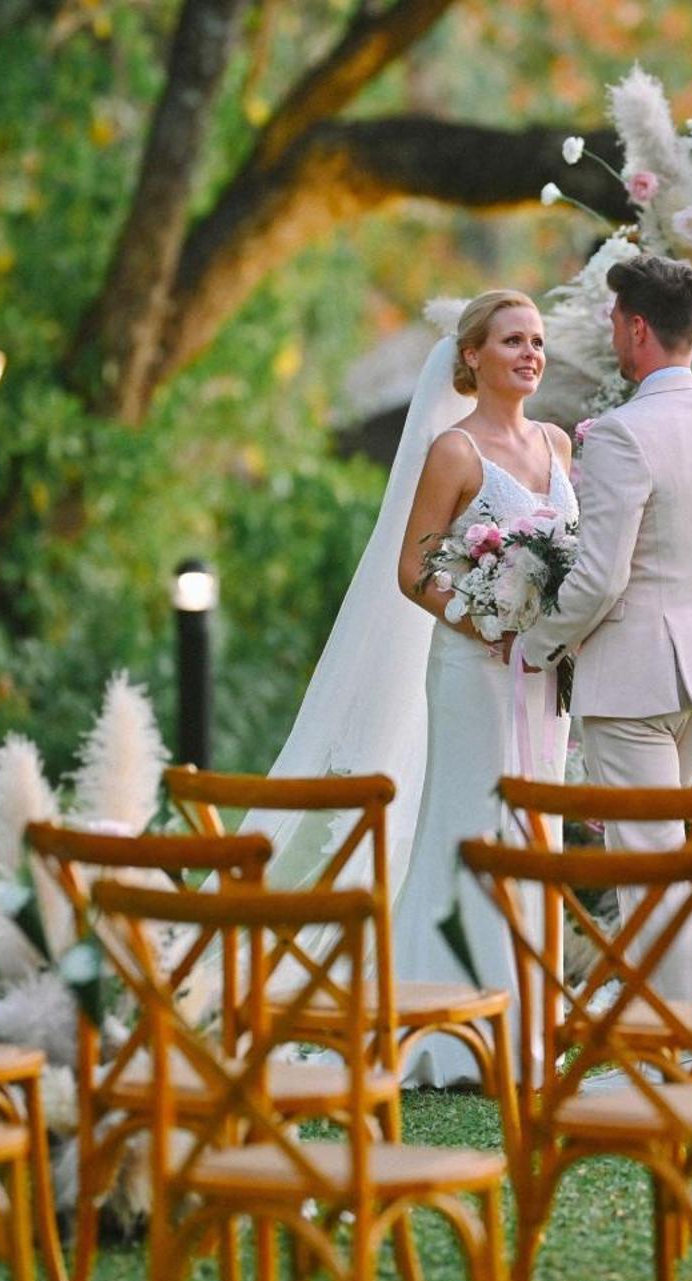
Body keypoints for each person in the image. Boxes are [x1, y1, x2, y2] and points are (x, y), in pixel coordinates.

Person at [248, 290, 575, 1088]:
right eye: (510, 341)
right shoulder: (455, 453)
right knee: (473, 825)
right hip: (472, 670)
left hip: (542, 681)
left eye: (536, 341)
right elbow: (413, 568)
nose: (529, 353)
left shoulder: (561, 445)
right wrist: (485, 619)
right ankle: (451, 1032)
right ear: (471, 356)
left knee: (538, 833)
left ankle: (529, 1017)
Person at [512, 255, 692, 1001]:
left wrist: (535, 644)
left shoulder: (621, 433)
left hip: (633, 679)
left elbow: (599, 576)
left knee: (647, 867)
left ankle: (674, 1043)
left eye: (616, 322)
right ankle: (670, 1030)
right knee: (663, 857)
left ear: (637, 328)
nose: (613, 335)